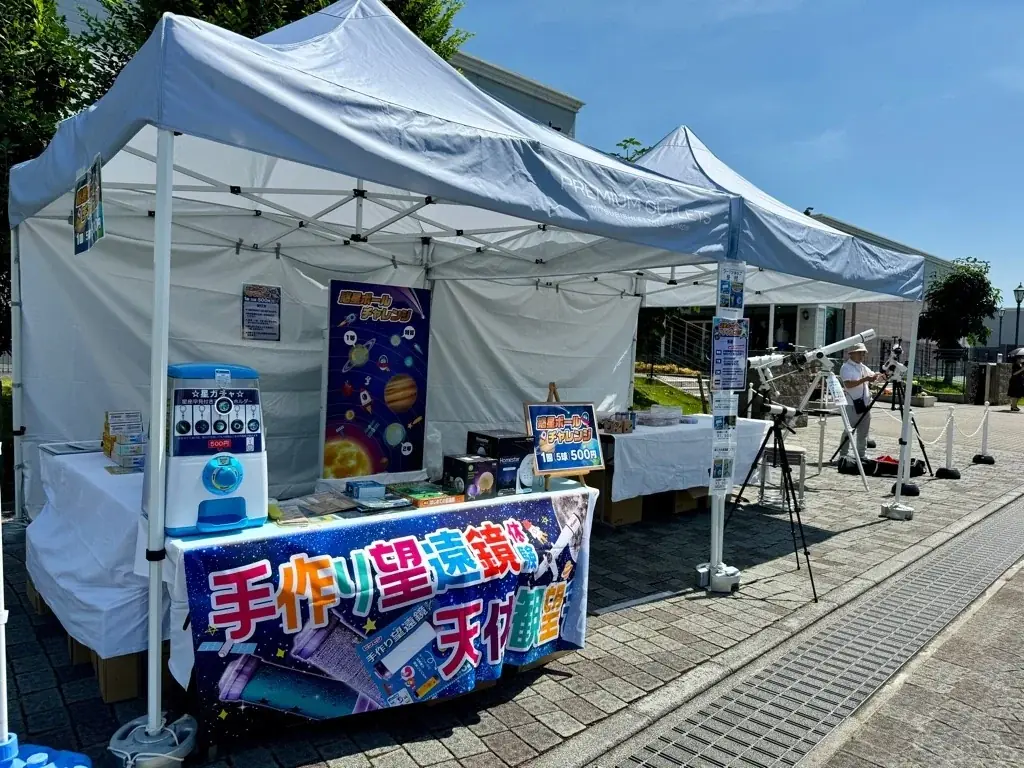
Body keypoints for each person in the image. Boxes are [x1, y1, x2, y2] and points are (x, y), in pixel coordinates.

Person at [838, 343, 884, 460]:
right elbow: (848, 384)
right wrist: (865, 379)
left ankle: (861, 455)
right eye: (860, 353)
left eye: (863, 353)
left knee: (863, 432)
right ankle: (843, 455)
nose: (862, 356)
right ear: (852, 354)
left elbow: (873, 376)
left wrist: (880, 375)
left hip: (865, 405)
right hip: (852, 405)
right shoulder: (846, 367)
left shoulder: (863, 367)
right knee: (849, 431)